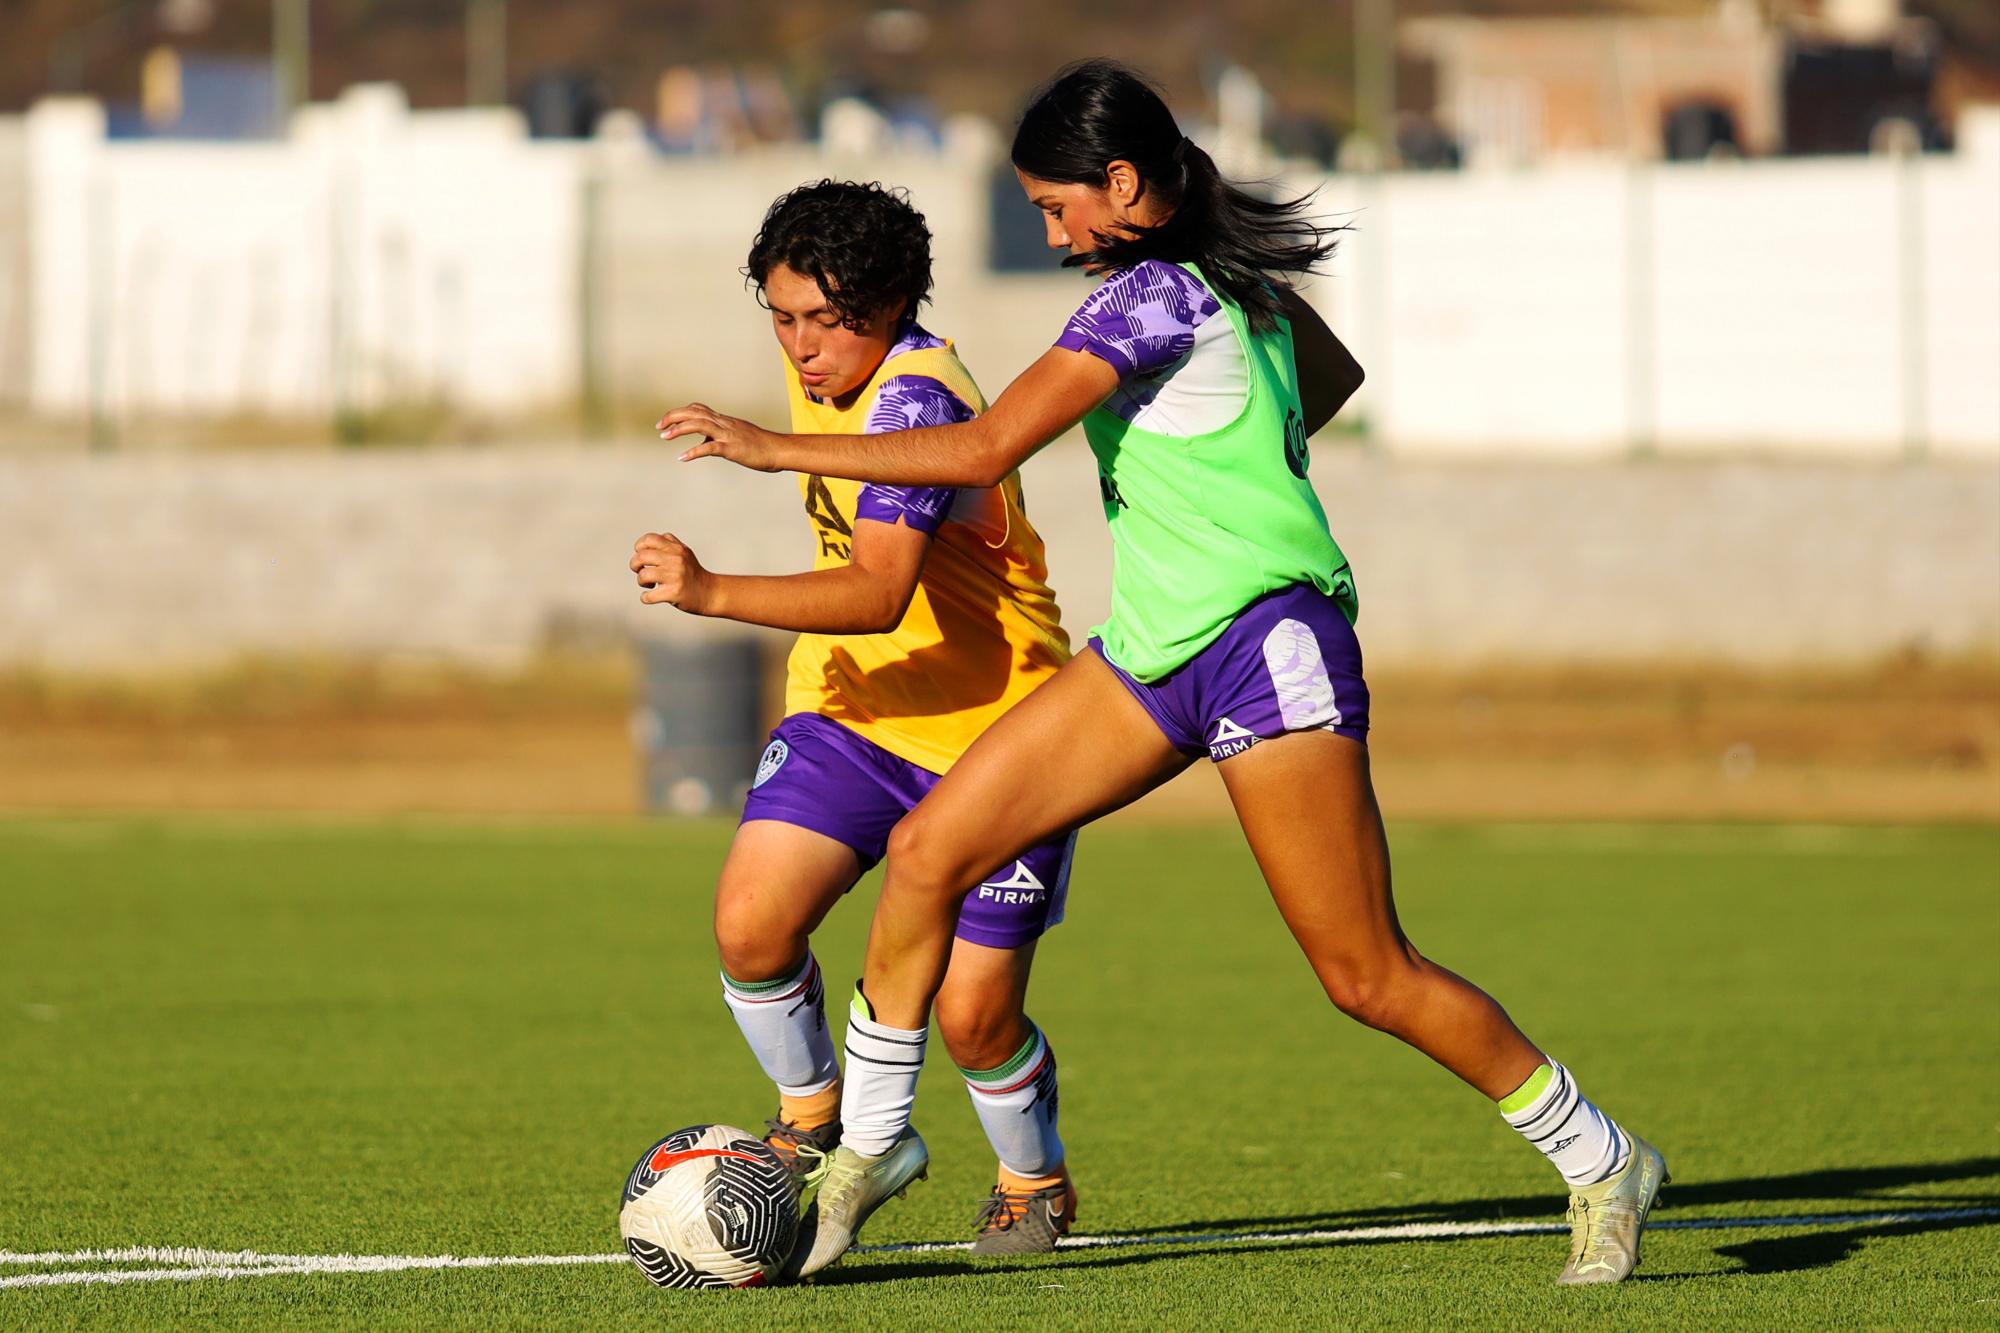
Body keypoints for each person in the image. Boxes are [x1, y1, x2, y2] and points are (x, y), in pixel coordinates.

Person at [659, 62, 1668, 1286]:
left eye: (1054, 204)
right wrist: (1249, 443)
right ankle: (866, 1155)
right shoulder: (1229, 289)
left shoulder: (1145, 298)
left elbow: (983, 443)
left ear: (1121, 185)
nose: (1048, 229)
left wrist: (765, 448)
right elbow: (1326, 381)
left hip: (1262, 645)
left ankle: (1601, 1155)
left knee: (1363, 973)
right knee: (928, 855)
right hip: (1149, 652)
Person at [632, 179, 1082, 1257]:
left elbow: (879, 589)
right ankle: (808, 1120)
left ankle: (1033, 1177)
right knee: (750, 919)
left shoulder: (917, 396)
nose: (802, 346)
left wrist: (711, 592)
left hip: (1002, 729)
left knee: (972, 1015)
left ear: (890, 306)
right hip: (854, 707)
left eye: (828, 322)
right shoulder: (829, 371)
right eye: (783, 318)